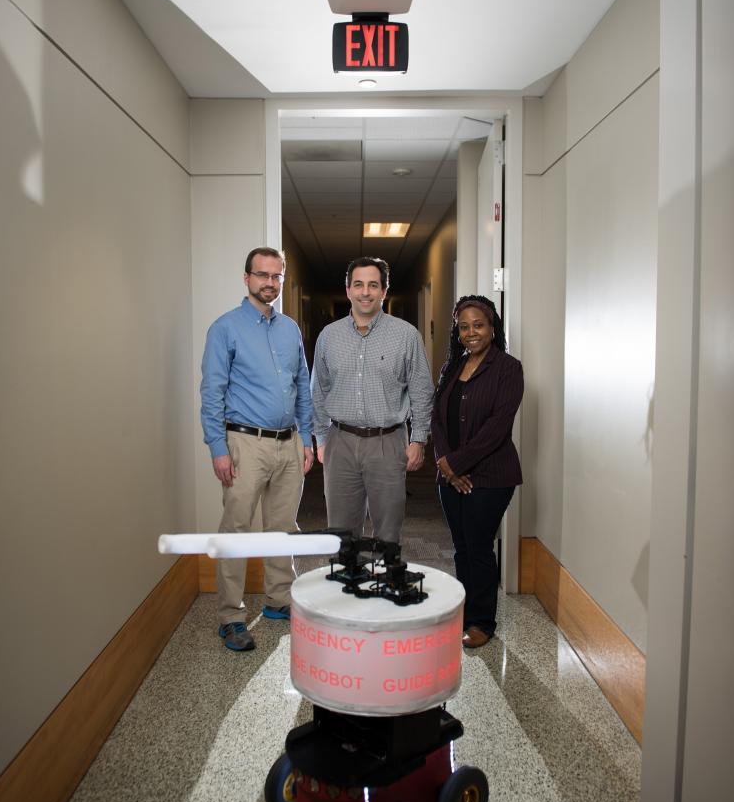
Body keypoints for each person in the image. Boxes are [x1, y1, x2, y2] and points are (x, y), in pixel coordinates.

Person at [200, 247, 314, 652]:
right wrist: (218, 447)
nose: (270, 282)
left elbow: (303, 385)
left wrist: (309, 438)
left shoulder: (289, 330)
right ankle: (231, 616)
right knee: (236, 530)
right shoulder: (225, 329)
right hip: (243, 444)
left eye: (276, 276)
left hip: (289, 443)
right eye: (262, 275)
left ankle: (279, 601)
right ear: (246, 278)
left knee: (283, 528)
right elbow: (211, 392)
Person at [311, 256, 433, 544]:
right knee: (341, 534)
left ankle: (385, 586)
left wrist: (419, 439)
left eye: (373, 285)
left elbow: (421, 391)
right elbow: (319, 390)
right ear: (348, 290)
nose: (365, 292)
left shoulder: (406, 336)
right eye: (359, 285)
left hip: (387, 442)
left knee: (388, 533)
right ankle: (347, 587)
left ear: (384, 291)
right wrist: (321, 437)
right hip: (340, 441)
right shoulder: (329, 336)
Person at [431, 294, 523, 648]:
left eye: (478, 325)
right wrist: (445, 462)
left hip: (491, 476)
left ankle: (482, 621)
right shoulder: (451, 368)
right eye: (464, 326)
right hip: (449, 475)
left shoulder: (508, 369)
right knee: (460, 548)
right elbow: (437, 418)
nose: (471, 332)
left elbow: (497, 428)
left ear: (492, 327)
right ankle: (464, 613)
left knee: (479, 547)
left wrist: (456, 463)